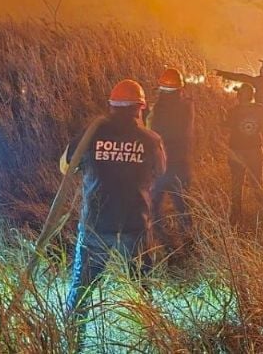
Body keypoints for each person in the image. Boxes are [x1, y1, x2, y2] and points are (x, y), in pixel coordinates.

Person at [60, 79, 166, 342]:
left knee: (82, 288)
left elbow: (65, 167)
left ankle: (73, 340)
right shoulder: (151, 139)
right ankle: (154, 338)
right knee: (142, 286)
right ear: (141, 108)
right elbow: (160, 170)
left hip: (97, 224)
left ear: (111, 105)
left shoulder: (91, 133)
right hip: (135, 224)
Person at [215, 57, 263, 181]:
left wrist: (223, 74)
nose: (260, 69)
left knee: (260, 146)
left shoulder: (261, 81)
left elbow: (243, 78)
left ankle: (258, 174)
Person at [148, 68, 195, 251]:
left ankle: (162, 243)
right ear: (180, 88)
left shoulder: (157, 109)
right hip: (181, 165)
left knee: (153, 207)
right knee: (183, 206)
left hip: (160, 165)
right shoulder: (187, 106)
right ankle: (189, 245)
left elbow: (150, 132)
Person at [223, 83, 263, 224]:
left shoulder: (233, 111)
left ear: (239, 96)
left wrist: (222, 119)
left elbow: (226, 128)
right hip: (255, 150)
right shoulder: (260, 109)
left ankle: (235, 216)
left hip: (236, 151)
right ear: (252, 95)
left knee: (236, 183)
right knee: (257, 182)